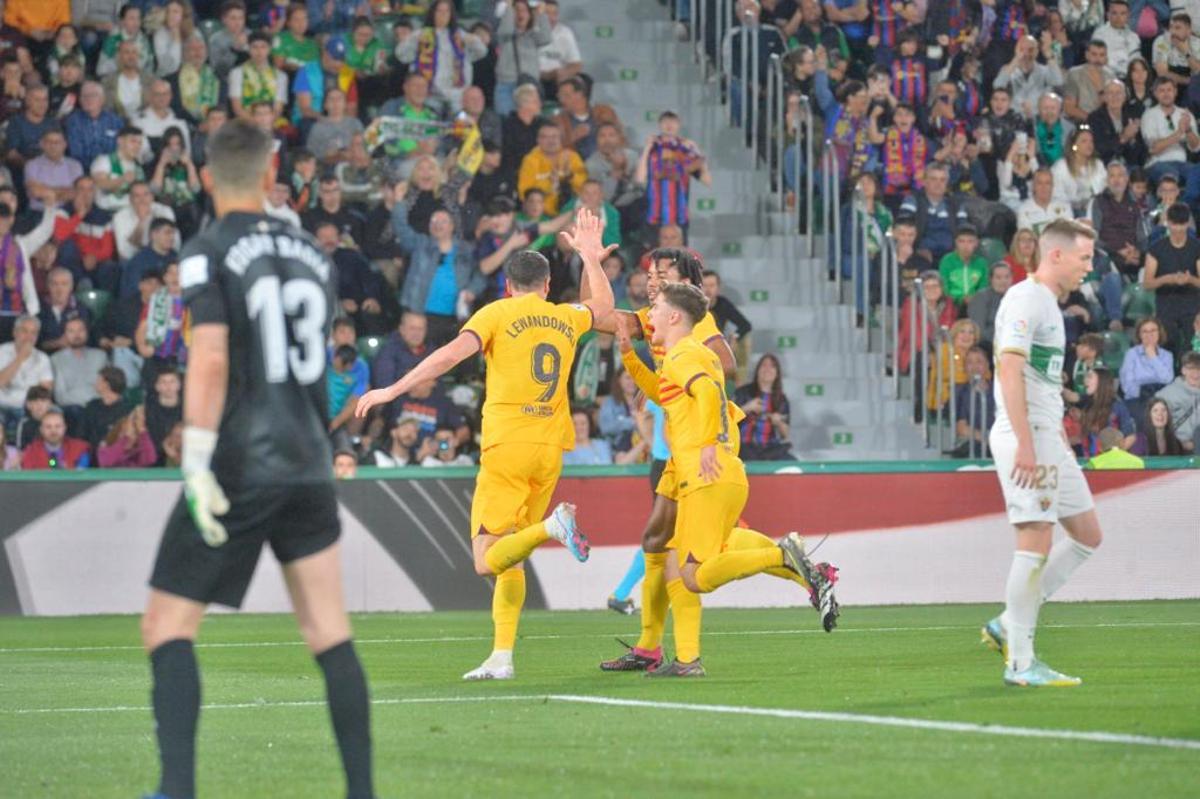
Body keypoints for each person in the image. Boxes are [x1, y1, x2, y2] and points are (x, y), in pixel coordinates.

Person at [139, 120, 375, 799]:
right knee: (329, 631)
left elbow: (211, 356)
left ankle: (176, 791)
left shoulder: (207, 249)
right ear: (272, 176)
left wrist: (196, 456)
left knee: (167, 626)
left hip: (240, 460)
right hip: (308, 462)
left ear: (206, 177)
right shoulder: (313, 254)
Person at [355, 207, 615, 681]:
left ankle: (553, 526)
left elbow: (449, 355)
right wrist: (591, 259)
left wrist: (392, 389)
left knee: (484, 559)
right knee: (510, 555)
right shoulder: (566, 317)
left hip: (507, 445)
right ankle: (501, 657)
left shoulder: (496, 312)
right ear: (547, 284)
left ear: (508, 285)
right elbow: (602, 307)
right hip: (549, 450)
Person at [613, 283, 836, 677]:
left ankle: (782, 555)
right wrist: (630, 357)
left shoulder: (682, 355)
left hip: (705, 473)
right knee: (678, 564)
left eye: (657, 308)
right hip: (719, 474)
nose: (650, 315)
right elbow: (668, 395)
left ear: (675, 316)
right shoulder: (694, 354)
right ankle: (687, 660)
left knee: (694, 576)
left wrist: (711, 441)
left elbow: (709, 392)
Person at [983, 218, 1105, 688]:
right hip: (1026, 434)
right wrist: (1027, 445)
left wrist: (1053, 435)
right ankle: (1020, 663)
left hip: (1046, 434)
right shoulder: (1026, 298)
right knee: (1035, 539)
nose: (1088, 267)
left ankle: (1007, 623)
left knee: (1087, 534)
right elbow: (1009, 370)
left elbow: (1038, 377)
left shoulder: (1050, 305)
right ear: (1056, 255)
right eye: (1084, 258)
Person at [1143, 204, 1200, 360]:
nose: (1178, 229)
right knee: (1167, 341)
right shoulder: (1156, 249)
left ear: (1188, 224)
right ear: (1167, 223)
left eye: (1182, 225)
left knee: (1192, 341)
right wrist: (1167, 279)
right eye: (1174, 224)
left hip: (1192, 304)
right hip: (1166, 304)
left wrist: (1190, 279)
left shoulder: (1196, 247)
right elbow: (1147, 284)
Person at [734, 353, 795, 461]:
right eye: (764, 365)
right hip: (744, 446)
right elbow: (727, 420)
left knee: (791, 461)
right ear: (757, 370)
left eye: (772, 366)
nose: (767, 369)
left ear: (777, 373)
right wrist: (747, 408)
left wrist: (778, 422)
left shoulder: (781, 399)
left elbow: (785, 434)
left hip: (771, 448)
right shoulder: (742, 392)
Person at [0, 315, 53, 430]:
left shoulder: (42, 358)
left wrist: (34, 406)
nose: (29, 337)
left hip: (28, 408)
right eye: (24, 331)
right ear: (15, 332)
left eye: (33, 333)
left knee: (54, 413)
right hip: (2, 405)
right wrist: (20, 358)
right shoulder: (2, 351)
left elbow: (45, 390)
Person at [1076, 366, 1137, 456]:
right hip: (1089, 460)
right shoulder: (1086, 404)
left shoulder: (1117, 406)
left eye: (1090, 377)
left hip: (1111, 461)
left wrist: (1115, 456)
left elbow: (1131, 436)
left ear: (1101, 381)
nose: (1085, 381)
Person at [1119, 317, 1176, 408]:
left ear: (1159, 333)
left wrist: (1153, 357)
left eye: (1153, 330)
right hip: (1137, 400)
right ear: (1139, 335)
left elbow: (1168, 379)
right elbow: (1127, 385)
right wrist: (1145, 395)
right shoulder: (1131, 354)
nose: (1149, 334)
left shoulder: (1167, 355)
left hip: (1160, 401)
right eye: (1145, 331)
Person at [1155, 350, 1200, 451]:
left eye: (1198, 369)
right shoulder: (1167, 394)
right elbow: (1156, 425)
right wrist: (1179, 443)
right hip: (1176, 446)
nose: (1195, 373)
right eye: (1191, 369)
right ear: (1183, 370)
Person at [20, 405, 89, 469]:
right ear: (41, 430)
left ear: (64, 428)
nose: (53, 431)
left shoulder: (80, 449)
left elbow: (80, 474)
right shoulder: (31, 451)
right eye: (48, 427)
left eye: (58, 426)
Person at [82, 365, 132, 451]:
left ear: (107, 385)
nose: (95, 383)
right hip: (91, 454)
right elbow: (81, 434)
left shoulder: (127, 411)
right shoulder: (92, 406)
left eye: (98, 380)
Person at [938, 224, 989, 307]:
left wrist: (975, 298)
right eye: (961, 241)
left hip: (976, 304)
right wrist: (960, 299)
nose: (966, 246)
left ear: (976, 243)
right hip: (951, 305)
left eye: (970, 241)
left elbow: (984, 287)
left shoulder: (981, 263)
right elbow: (944, 288)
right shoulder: (947, 261)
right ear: (956, 242)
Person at [968, 262, 1014, 347]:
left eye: (1007, 277)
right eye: (998, 277)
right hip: (988, 344)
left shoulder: (1017, 296)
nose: (1003, 281)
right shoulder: (981, 297)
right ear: (991, 279)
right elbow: (978, 330)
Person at [97, 403, 157, 467]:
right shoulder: (105, 448)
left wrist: (142, 430)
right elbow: (107, 461)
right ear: (117, 433)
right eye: (124, 432)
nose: (130, 436)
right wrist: (125, 438)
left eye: (134, 433)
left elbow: (150, 459)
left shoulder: (138, 452)